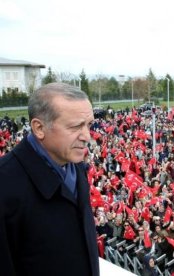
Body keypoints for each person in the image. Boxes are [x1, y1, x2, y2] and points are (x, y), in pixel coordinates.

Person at [0, 83, 99, 276]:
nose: (87, 136)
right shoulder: (5, 185)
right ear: (39, 128)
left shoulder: (75, 165)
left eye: (89, 125)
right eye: (75, 126)